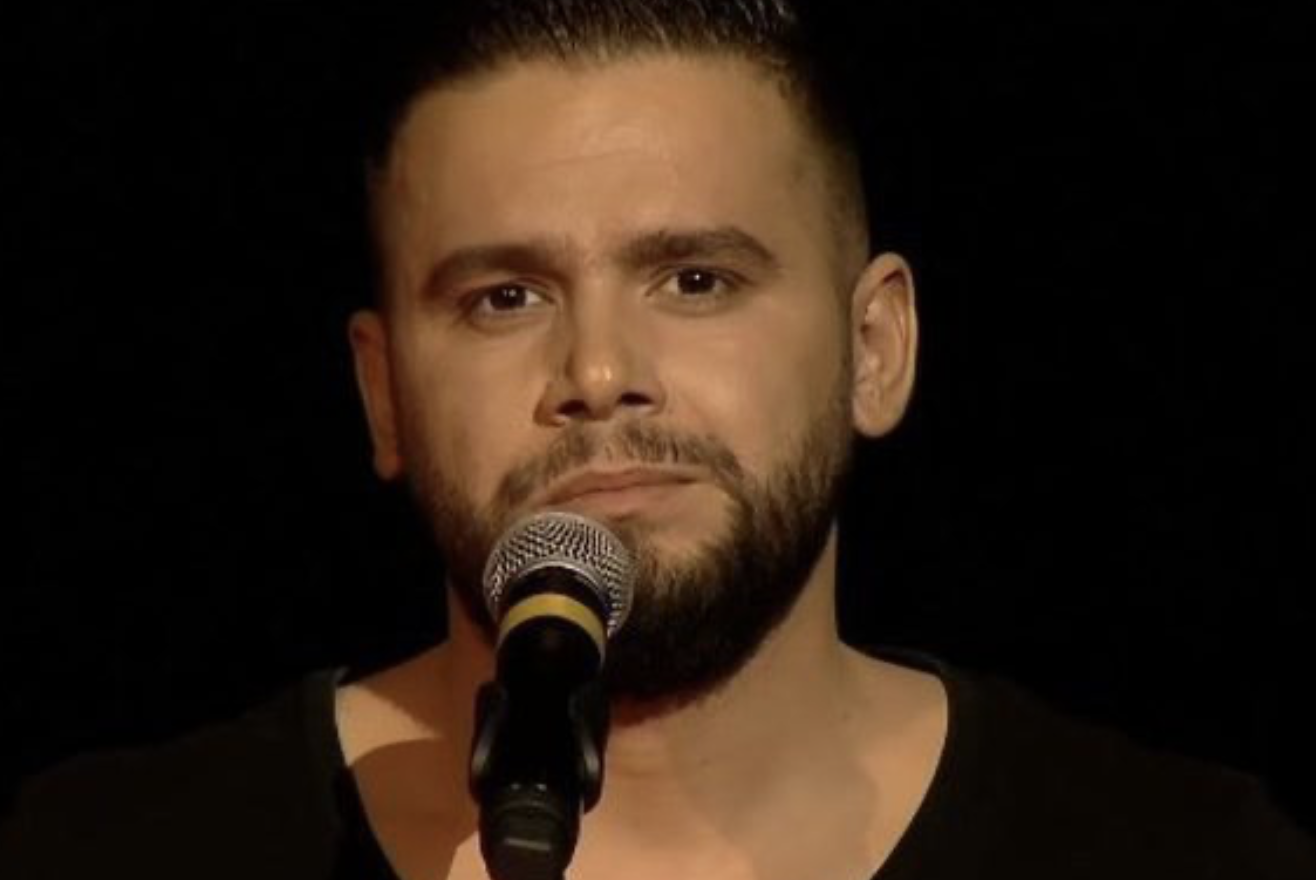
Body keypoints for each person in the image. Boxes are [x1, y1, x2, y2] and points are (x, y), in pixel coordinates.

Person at [2, 1, 1313, 878]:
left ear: (875, 347)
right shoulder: (119, 852)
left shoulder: (1180, 855)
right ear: (382, 393)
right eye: (503, 298)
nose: (598, 375)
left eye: (695, 280)